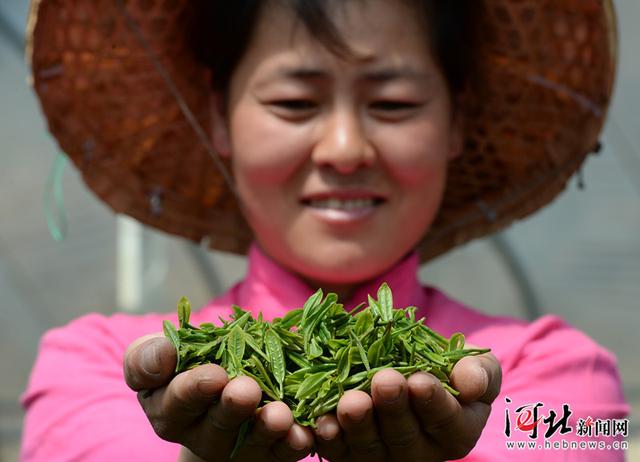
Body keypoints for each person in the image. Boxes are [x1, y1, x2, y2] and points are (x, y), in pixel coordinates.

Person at [22, 0, 629, 461]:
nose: (344, 149)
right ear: (219, 117)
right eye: (294, 102)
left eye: (392, 104)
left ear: (456, 120)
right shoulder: (93, 367)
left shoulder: (563, 375)